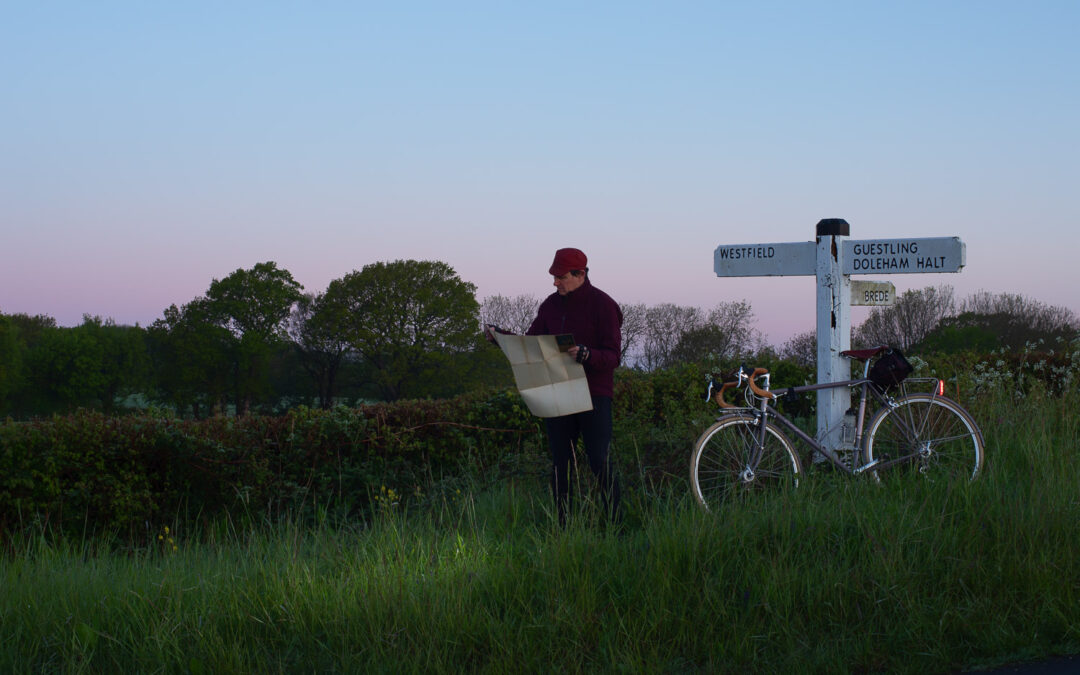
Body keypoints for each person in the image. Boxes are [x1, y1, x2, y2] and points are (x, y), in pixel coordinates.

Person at [490, 247, 624, 525]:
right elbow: (532, 344)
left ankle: (617, 524)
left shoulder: (604, 305)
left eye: (560, 277)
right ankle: (562, 526)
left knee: (599, 460)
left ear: (581, 274)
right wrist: (501, 338)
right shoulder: (550, 306)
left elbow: (613, 356)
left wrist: (588, 354)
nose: (555, 283)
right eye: (554, 277)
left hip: (594, 395)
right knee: (560, 463)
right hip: (558, 393)